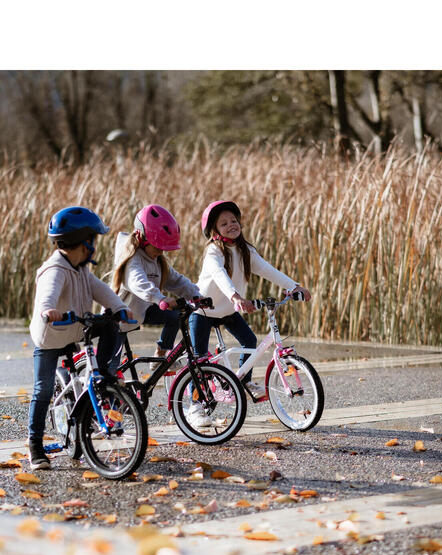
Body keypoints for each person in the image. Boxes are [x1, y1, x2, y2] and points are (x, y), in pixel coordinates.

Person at [188, 200, 310, 427]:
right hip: (203, 311)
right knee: (199, 360)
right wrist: (236, 297)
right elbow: (218, 275)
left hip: (227, 310)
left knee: (249, 340)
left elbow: (267, 270)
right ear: (214, 231)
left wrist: (294, 286)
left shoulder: (246, 250)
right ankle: (194, 407)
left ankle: (242, 382)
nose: (231, 225)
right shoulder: (213, 251)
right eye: (223, 223)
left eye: (234, 221)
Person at [27, 206, 128, 470]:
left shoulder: (81, 268)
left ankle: (104, 376)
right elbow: (48, 295)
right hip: (50, 336)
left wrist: (119, 308)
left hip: (75, 329)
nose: (95, 246)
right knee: (43, 389)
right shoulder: (56, 270)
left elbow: (101, 290)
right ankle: (35, 446)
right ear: (83, 242)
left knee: (110, 327)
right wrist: (49, 311)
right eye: (93, 240)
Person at [110, 204, 200, 358]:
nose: (161, 251)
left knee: (175, 316)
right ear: (141, 238)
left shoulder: (157, 261)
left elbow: (177, 280)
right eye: (158, 247)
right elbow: (138, 283)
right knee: (111, 369)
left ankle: (160, 356)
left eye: (163, 248)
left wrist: (197, 295)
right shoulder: (132, 261)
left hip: (142, 312)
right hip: (119, 318)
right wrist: (161, 298)